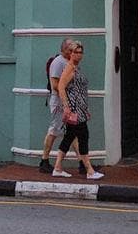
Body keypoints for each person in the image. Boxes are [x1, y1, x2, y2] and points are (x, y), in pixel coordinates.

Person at [52, 42, 103, 180]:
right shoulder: (69, 68)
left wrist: (85, 109)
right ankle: (89, 170)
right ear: (71, 53)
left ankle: (57, 167)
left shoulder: (76, 68)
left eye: (80, 52)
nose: (78, 55)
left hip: (80, 108)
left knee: (69, 138)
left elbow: (80, 91)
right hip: (74, 109)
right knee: (83, 137)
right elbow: (61, 87)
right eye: (76, 52)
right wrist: (67, 106)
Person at [38, 38, 74, 174]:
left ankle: (84, 161)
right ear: (63, 49)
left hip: (66, 101)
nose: (72, 52)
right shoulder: (58, 62)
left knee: (74, 131)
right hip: (59, 101)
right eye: (70, 49)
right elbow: (55, 85)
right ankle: (44, 160)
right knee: (54, 130)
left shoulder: (69, 62)